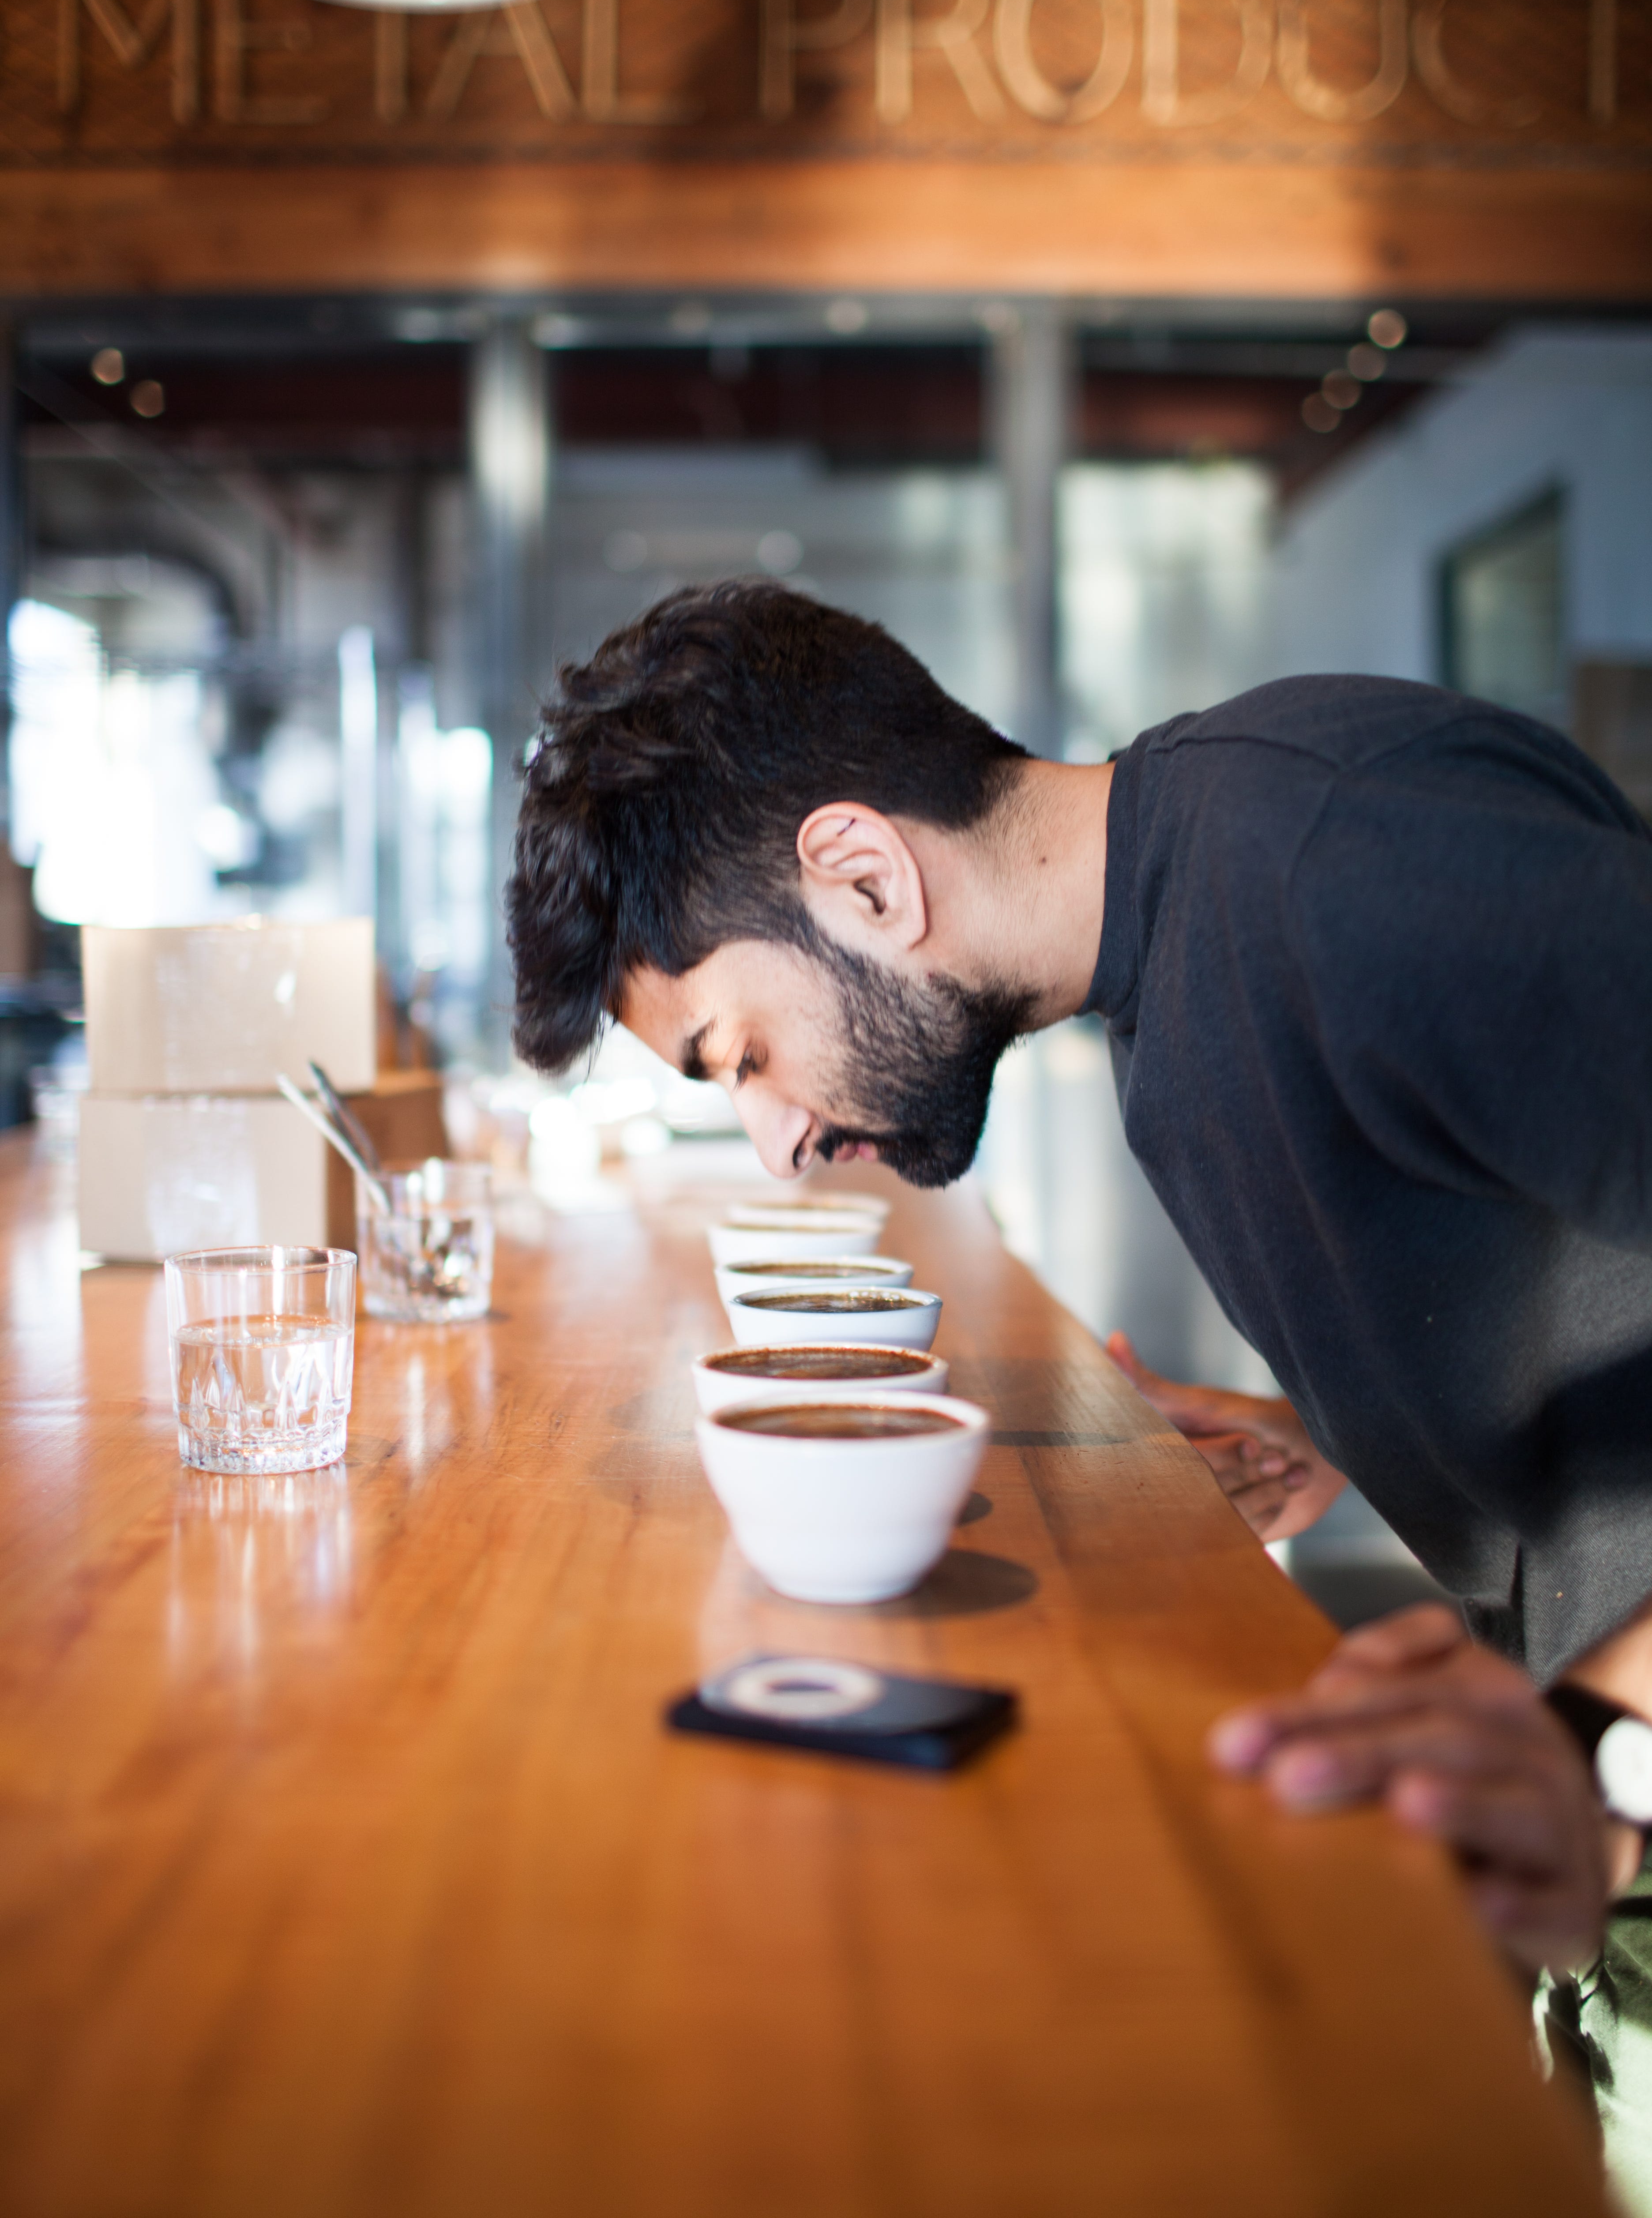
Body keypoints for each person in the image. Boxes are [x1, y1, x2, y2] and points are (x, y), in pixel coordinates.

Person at [509, 580, 1652, 2179]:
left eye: (740, 1053)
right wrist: (1346, 1416)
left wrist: (1599, 1736)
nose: (779, 1143)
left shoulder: (1343, 860)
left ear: (862, 873)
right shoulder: (1166, 964)